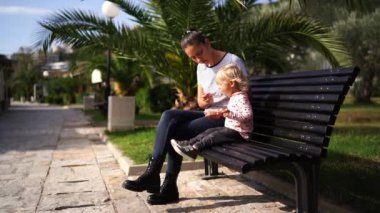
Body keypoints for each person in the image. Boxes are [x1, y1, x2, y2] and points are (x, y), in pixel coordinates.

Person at [121, 30, 248, 205]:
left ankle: (165, 185)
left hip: (227, 118)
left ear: (207, 42)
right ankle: (154, 172)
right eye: (193, 58)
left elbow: (245, 96)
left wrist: (221, 109)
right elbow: (200, 102)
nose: (198, 60)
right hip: (209, 113)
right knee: (168, 115)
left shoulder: (232, 61)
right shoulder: (200, 68)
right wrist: (204, 101)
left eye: (199, 54)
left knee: (173, 133)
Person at [171, 64, 253, 160]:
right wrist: (219, 113)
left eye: (221, 84)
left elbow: (248, 115)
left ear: (231, 83)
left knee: (214, 135)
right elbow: (231, 112)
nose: (220, 88)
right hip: (231, 130)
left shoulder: (241, 98)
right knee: (210, 131)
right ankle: (189, 143)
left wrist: (230, 114)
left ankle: (194, 149)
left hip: (240, 134)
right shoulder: (234, 97)